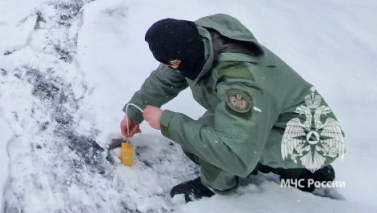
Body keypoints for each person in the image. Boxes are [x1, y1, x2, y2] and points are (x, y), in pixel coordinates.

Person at [119, 14, 344, 202]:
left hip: (312, 140)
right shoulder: (199, 39)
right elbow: (165, 80)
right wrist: (134, 112)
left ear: (184, 56)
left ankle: (218, 187)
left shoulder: (242, 83)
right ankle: (293, 169)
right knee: (215, 132)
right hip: (278, 120)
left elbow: (233, 153)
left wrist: (168, 122)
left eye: (174, 63)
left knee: (205, 142)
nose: (171, 68)